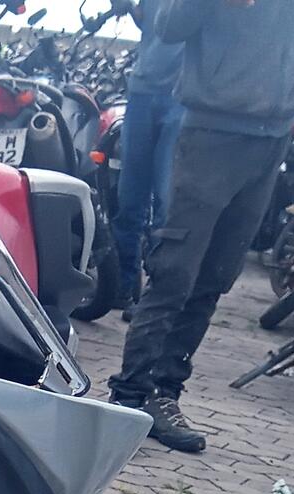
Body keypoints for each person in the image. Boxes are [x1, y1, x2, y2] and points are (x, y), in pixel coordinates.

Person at [108, 0, 294, 453]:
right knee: (175, 272)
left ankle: (165, 393)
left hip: (271, 136)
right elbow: (170, 26)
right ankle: (129, 395)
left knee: (216, 276)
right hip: (212, 133)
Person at [109, 0, 185, 313]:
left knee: (167, 204)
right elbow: (150, 23)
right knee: (129, 199)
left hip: (182, 96)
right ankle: (124, 285)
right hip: (141, 91)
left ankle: (154, 295)